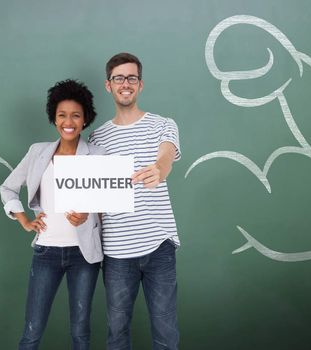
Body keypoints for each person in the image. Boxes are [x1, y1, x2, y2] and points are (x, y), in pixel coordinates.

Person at [0, 79, 105, 350]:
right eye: (62, 115)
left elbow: (108, 201)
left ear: (85, 120)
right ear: (53, 118)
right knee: (32, 329)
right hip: (46, 251)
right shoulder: (38, 153)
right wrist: (22, 218)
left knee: (81, 331)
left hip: (84, 254)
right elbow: (9, 188)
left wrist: (89, 213)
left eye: (75, 115)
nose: (68, 121)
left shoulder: (98, 155)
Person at [88, 53, 181, 350]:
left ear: (140, 85)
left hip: (159, 247)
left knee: (166, 334)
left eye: (131, 78)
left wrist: (159, 169)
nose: (125, 83)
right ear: (108, 85)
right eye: (119, 78)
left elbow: (166, 156)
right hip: (116, 253)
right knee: (116, 334)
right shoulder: (96, 139)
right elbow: (96, 197)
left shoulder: (163, 124)